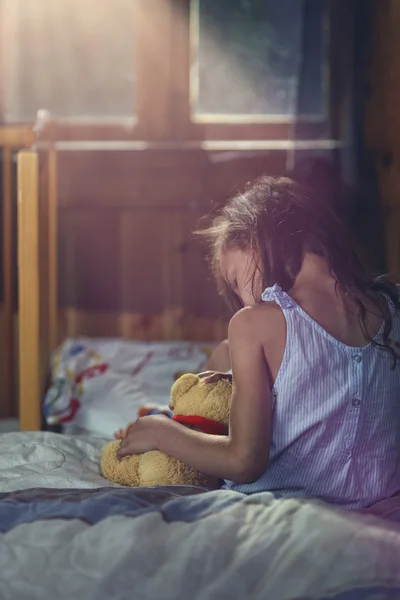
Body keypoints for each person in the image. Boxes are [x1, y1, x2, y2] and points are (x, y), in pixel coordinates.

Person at [117, 176, 400, 509]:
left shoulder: (253, 324)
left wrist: (160, 431)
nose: (242, 300)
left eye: (236, 281)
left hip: (279, 510)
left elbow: (243, 462)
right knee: (224, 357)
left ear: (255, 236)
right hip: (383, 508)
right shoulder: (391, 307)